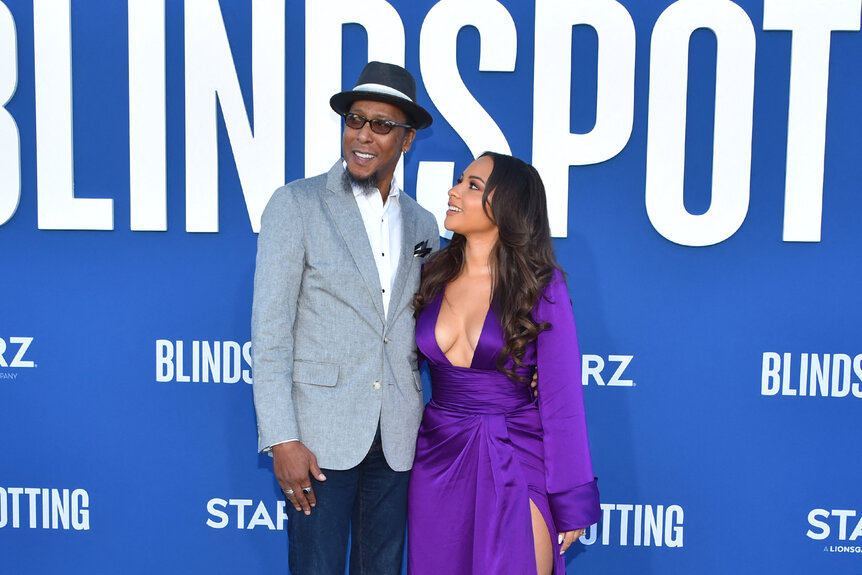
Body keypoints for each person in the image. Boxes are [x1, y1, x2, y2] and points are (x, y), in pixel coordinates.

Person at [251, 61, 439, 575]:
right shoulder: (296, 204)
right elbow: (270, 334)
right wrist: (282, 437)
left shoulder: (423, 222)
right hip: (317, 436)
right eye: (356, 120)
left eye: (381, 125)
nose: (363, 135)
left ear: (407, 140)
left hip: (398, 435)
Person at [407, 152, 601, 575]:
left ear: (507, 206)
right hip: (437, 459)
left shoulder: (541, 286)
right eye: (460, 181)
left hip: (514, 453)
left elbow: (561, 398)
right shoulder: (430, 273)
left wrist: (571, 498)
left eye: (473, 186)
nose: (453, 192)